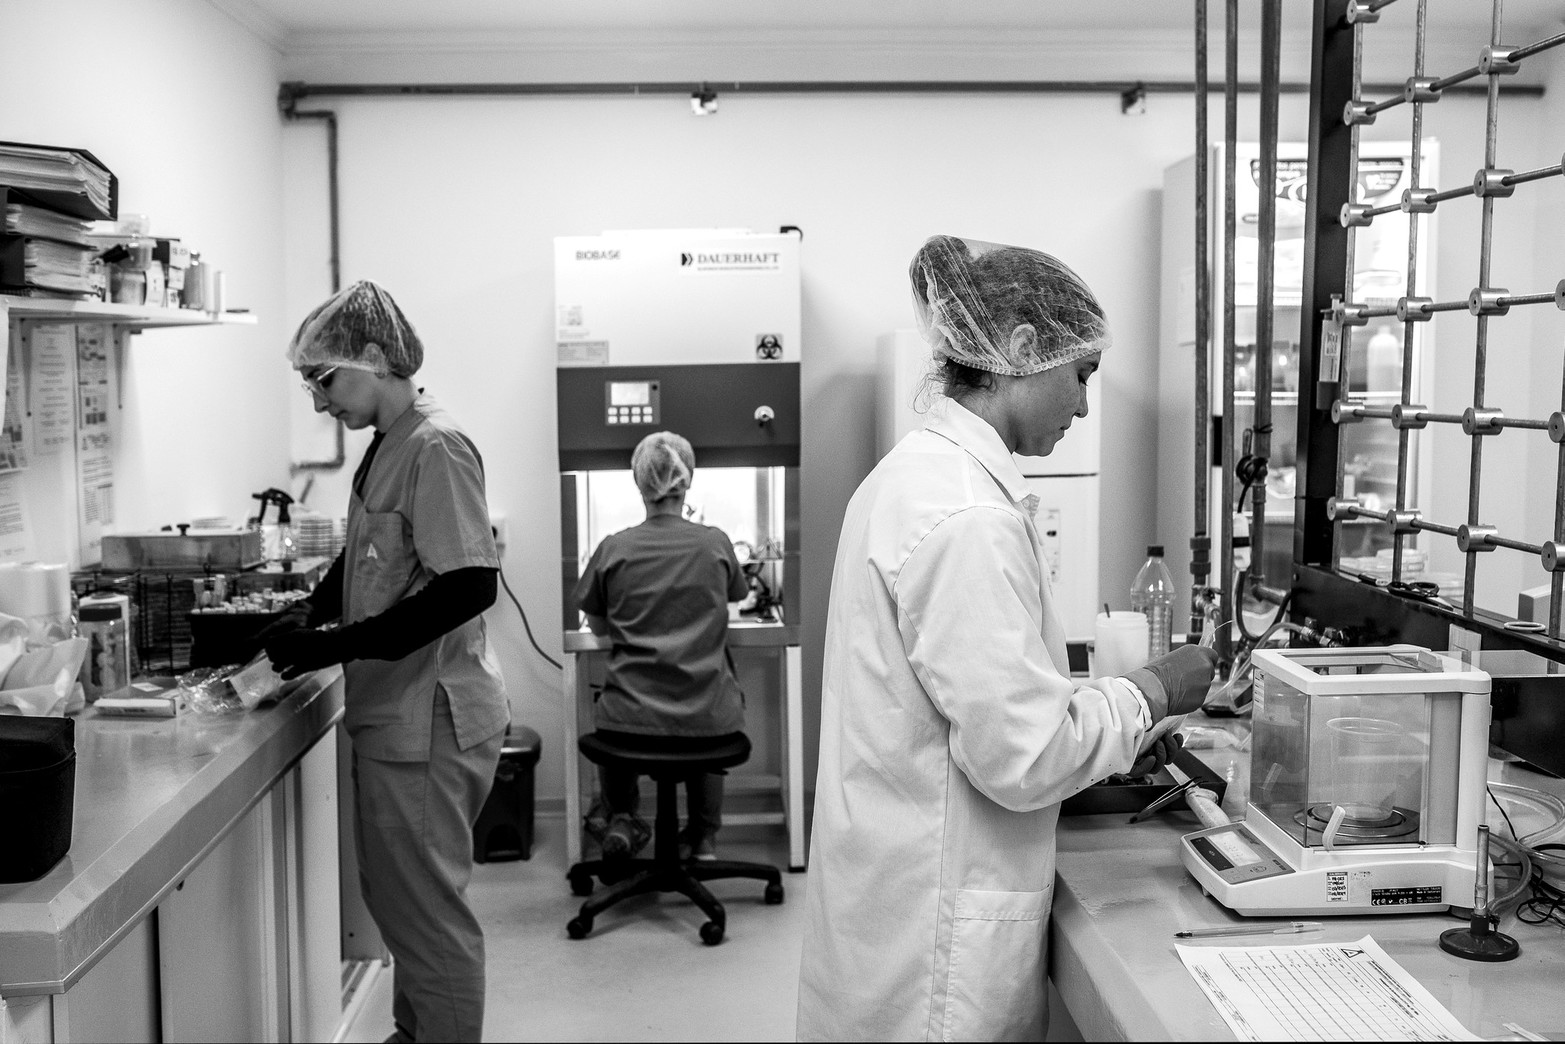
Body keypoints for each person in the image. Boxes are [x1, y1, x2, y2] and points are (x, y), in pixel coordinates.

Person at [796, 236, 1218, 1041]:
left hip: (894, 891)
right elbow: (1023, 757)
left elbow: (981, 696)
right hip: (933, 941)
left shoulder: (914, 477)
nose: (1084, 407)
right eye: (1081, 374)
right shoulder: (966, 518)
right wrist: (1153, 691)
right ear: (1022, 351)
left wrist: (1110, 718)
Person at [261, 280, 509, 1044]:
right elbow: (368, 548)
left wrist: (336, 644)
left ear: (372, 357)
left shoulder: (435, 446)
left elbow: (469, 585)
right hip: (396, 716)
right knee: (400, 906)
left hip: (429, 722)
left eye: (324, 380)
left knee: (428, 919)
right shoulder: (387, 445)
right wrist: (313, 609)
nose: (317, 401)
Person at [573, 431, 749, 862]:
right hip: (705, 715)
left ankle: (623, 820)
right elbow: (735, 598)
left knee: (612, 710)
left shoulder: (615, 547)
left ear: (639, 483)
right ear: (687, 481)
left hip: (630, 719)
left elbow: (598, 626)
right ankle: (703, 839)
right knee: (708, 714)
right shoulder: (714, 543)